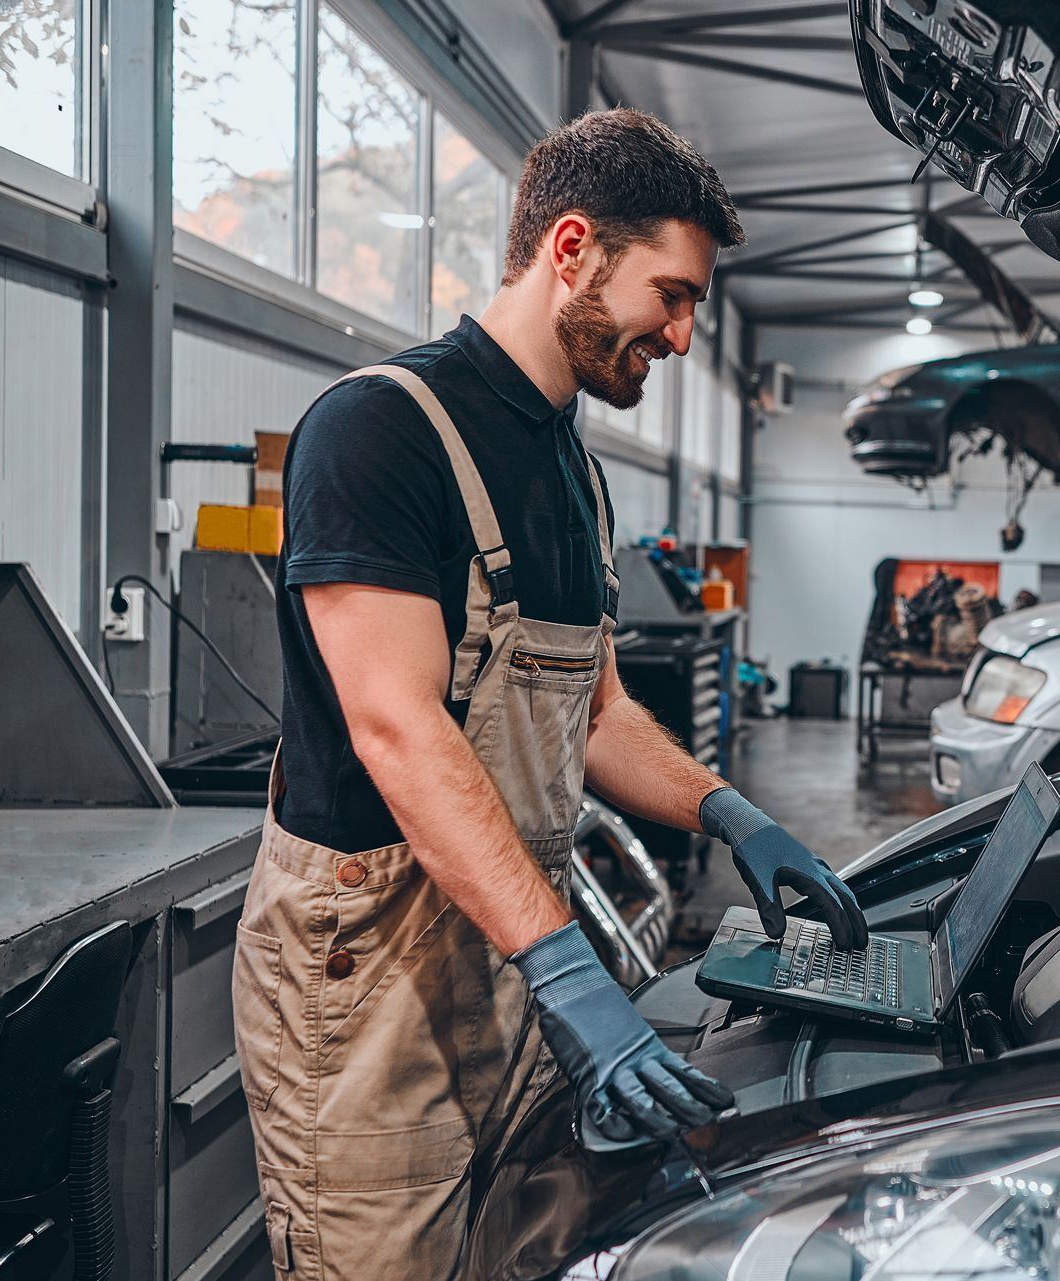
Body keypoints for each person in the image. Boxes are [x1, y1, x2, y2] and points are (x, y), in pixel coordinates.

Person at [230, 108, 867, 1280]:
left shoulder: (573, 464)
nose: (679, 334)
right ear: (571, 248)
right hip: (367, 988)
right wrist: (569, 968)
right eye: (671, 295)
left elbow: (602, 714)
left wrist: (731, 813)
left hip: (510, 959)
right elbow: (398, 728)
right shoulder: (378, 432)